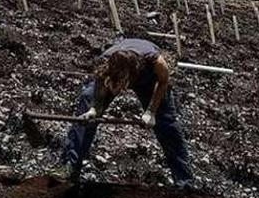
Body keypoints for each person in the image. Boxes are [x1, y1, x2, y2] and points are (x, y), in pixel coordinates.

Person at [57, 38, 194, 187]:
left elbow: (163, 81)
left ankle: (184, 182)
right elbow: (100, 85)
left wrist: (151, 112)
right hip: (116, 73)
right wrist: (94, 109)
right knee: (87, 103)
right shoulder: (105, 62)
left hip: (149, 78)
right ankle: (69, 167)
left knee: (167, 124)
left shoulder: (154, 60)